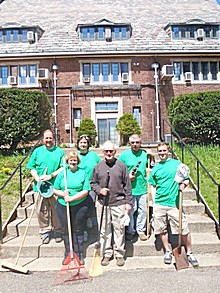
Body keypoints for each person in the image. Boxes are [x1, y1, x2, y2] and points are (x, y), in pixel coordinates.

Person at [148, 142, 199, 267]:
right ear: (158, 152)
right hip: (160, 203)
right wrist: (154, 202)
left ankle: (189, 252)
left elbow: (186, 178)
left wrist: (184, 184)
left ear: (168, 150)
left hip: (174, 204)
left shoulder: (177, 165)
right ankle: (167, 251)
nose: (162, 153)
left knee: (184, 229)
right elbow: (152, 185)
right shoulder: (156, 168)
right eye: (160, 151)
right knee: (161, 229)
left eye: (164, 150)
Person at [91, 141, 132, 267]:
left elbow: (127, 186)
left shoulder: (121, 166)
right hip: (103, 203)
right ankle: (107, 253)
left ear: (115, 152)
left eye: (111, 151)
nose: (109, 153)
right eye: (106, 151)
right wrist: (100, 190)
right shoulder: (98, 167)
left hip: (118, 202)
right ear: (103, 152)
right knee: (104, 230)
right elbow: (93, 183)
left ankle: (119, 254)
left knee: (119, 230)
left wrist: (128, 202)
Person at [27, 129, 64, 244]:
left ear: (53, 139)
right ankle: (45, 231)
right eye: (46, 138)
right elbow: (31, 168)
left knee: (56, 209)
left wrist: (51, 175)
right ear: (43, 139)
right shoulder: (37, 152)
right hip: (39, 187)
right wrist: (38, 180)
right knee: (41, 210)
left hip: (54, 186)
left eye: (50, 138)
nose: (48, 140)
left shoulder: (59, 152)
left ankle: (58, 231)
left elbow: (63, 167)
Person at [53, 151, 90, 265]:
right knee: (65, 230)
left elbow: (85, 191)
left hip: (79, 205)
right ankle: (68, 253)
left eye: (74, 160)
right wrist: (63, 194)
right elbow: (54, 189)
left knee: (78, 229)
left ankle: (79, 253)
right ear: (67, 161)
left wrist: (72, 198)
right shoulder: (62, 173)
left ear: (77, 161)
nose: (72, 162)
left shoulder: (83, 173)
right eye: (70, 160)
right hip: (63, 206)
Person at [118, 134, 155, 241]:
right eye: (133, 143)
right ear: (129, 143)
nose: (135, 145)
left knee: (142, 210)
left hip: (142, 187)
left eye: (137, 142)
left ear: (140, 143)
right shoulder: (124, 155)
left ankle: (141, 230)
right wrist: (127, 177)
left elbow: (151, 166)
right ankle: (130, 230)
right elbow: (118, 170)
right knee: (130, 210)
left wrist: (152, 156)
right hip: (129, 189)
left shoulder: (144, 154)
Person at [76, 134, 101, 229]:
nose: (83, 144)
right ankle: (84, 224)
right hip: (79, 186)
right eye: (81, 142)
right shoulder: (75, 156)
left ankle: (92, 219)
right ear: (78, 144)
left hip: (91, 184)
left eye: (85, 142)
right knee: (81, 206)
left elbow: (100, 166)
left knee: (91, 202)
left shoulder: (93, 155)